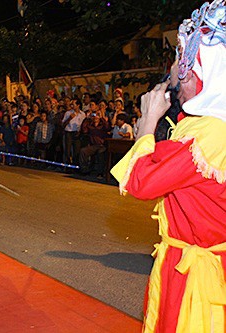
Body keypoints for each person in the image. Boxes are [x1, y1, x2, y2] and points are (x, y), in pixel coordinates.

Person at [111, 2, 226, 331]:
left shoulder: (211, 132)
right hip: (191, 264)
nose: (175, 69)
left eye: (180, 59)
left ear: (201, 69)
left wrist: (147, 122)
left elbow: (141, 182)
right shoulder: (201, 123)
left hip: (198, 278)